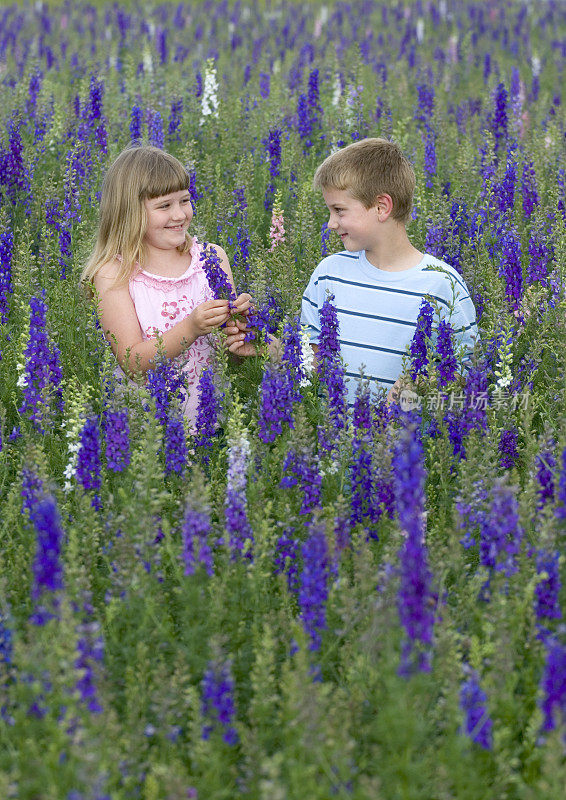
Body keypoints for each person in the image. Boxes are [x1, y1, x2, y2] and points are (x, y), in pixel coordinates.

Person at [300, 137, 478, 405]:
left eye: (339, 210)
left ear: (382, 207)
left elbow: (468, 368)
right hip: (333, 440)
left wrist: (422, 385)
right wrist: (264, 345)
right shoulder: (328, 275)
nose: (331, 223)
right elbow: (310, 359)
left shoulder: (443, 285)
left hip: (408, 442)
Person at [81, 145, 252, 422]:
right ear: (129, 212)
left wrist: (239, 326)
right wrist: (191, 327)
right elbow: (132, 363)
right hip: (149, 427)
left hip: (213, 415)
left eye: (184, 200)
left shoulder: (212, 257)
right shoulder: (114, 273)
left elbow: (230, 355)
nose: (180, 214)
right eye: (164, 206)